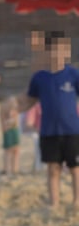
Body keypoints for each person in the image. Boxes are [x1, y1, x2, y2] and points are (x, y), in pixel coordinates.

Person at [21, 30, 79, 209]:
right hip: (49, 130)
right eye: (54, 49)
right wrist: (14, 108)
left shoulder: (73, 75)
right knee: (53, 169)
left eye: (62, 49)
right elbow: (29, 100)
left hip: (72, 130)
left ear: (67, 51)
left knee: (75, 168)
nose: (58, 53)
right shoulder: (40, 78)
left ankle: (77, 201)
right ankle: (54, 202)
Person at [0, 96, 21, 175]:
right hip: (8, 131)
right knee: (8, 150)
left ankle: (14, 169)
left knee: (16, 150)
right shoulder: (4, 108)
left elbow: (16, 122)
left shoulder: (15, 110)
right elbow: (5, 122)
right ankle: (6, 169)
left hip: (14, 130)